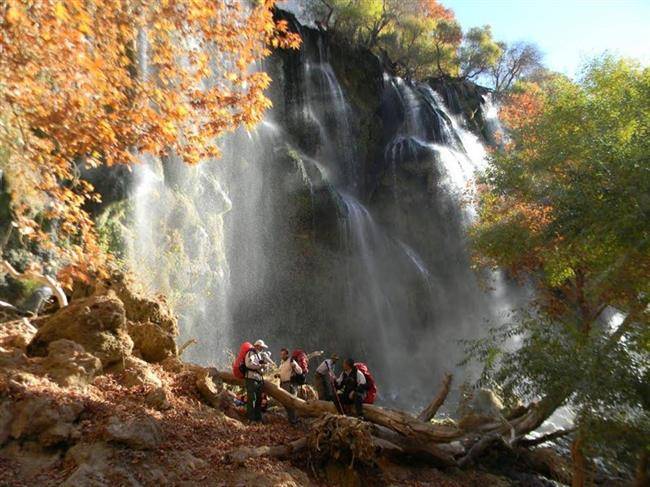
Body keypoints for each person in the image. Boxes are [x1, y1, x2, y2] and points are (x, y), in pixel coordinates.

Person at [276, 348, 303, 424]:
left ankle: (295, 421)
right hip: (283, 384)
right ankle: (291, 420)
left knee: (292, 402)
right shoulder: (282, 362)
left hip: (290, 384)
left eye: (283, 354)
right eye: (281, 354)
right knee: (286, 403)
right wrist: (278, 375)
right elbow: (281, 372)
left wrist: (294, 366)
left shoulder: (291, 360)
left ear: (287, 354)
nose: (282, 356)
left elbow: (300, 371)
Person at [244, 339, 269, 422]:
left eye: (263, 347)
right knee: (252, 399)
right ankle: (250, 419)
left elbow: (260, 369)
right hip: (251, 379)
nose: (262, 349)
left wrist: (264, 367)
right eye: (261, 347)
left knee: (258, 399)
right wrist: (260, 366)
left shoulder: (259, 355)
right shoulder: (251, 353)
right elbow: (248, 364)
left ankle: (258, 419)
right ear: (257, 346)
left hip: (258, 379)